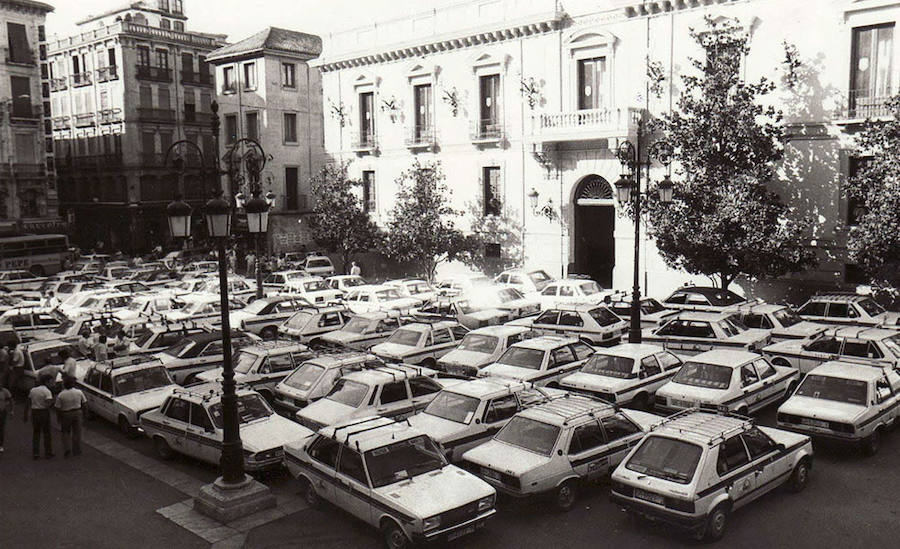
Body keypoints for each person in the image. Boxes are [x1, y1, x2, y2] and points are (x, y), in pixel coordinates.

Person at [24, 375, 54, 459]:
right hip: (43, 412)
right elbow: (48, 403)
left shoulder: (33, 390)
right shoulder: (47, 391)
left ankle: (36, 453)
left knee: (36, 433)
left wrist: (25, 414)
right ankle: (48, 452)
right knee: (47, 433)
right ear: (47, 382)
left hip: (35, 412)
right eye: (51, 381)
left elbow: (28, 402)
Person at [55, 377, 86, 457]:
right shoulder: (79, 392)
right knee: (77, 432)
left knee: (65, 432)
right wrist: (84, 414)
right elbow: (84, 403)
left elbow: (57, 407)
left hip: (66, 413)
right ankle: (77, 450)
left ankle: (67, 449)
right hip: (77, 412)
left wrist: (58, 417)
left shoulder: (61, 394)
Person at [0, 383, 12, 453]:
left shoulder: (5, 391)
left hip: (2, 412)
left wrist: (11, 411)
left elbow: (11, 401)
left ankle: (0, 445)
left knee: (1, 428)